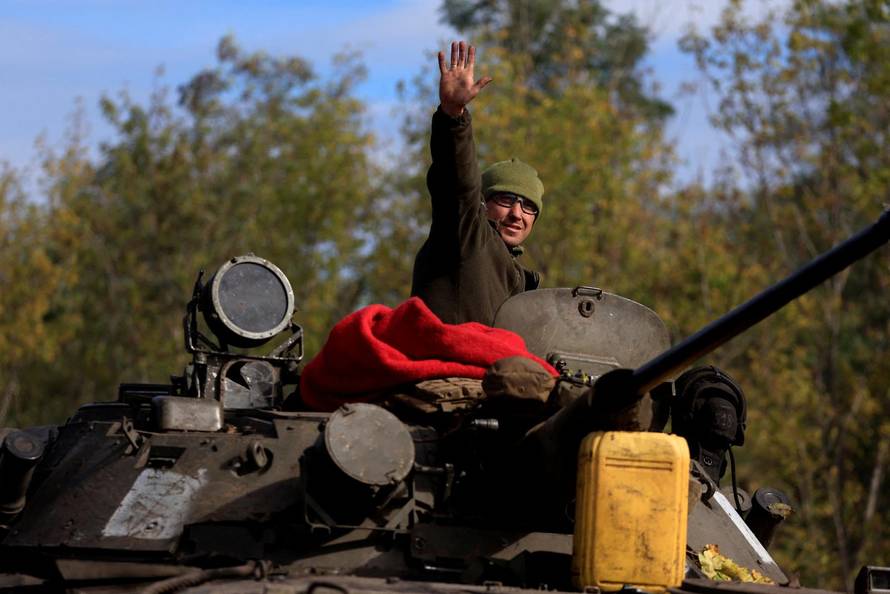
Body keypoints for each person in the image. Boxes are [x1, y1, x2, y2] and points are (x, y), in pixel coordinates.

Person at [411, 41, 544, 326]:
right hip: (451, 366)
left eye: (529, 207)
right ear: (484, 204)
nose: (517, 214)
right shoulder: (467, 235)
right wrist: (453, 116)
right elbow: (459, 182)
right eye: (506, 200)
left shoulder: (521, 281)